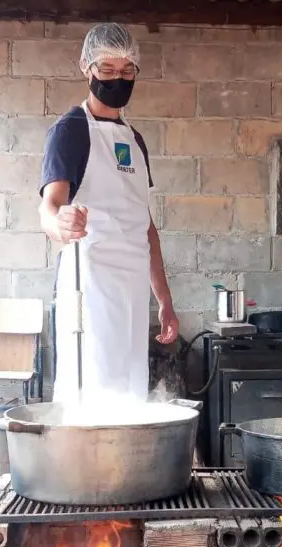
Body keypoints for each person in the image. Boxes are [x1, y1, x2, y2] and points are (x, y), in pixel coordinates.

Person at [39, 23, 179, 404]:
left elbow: (146, 227)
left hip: (133, 288)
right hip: (90, 286)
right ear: (87, 67)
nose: (118, 79)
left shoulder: (135, 141)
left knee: (131, 393)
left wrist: (164, 301)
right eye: (107, 70)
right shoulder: (70, 131)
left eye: (127, 70)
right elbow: (49, 208)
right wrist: (61, 224)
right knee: (93, 395)